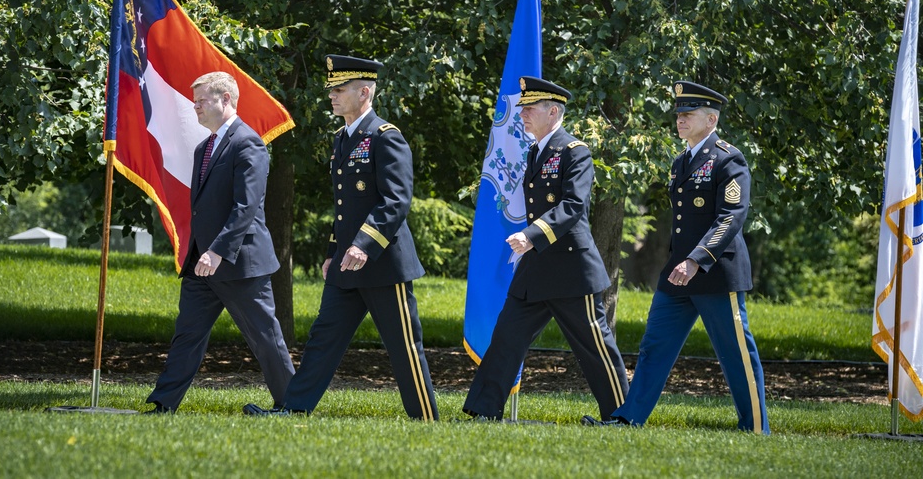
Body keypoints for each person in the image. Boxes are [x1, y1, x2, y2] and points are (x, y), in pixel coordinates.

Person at [243, 55, 439, 421]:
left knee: (404, 347)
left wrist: (363, 245)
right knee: (323, 340)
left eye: (339, 89)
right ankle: (293, 409)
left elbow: (395, 201)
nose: (331, 96)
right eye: (331, 89)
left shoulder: (386, 137)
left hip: (383, 263)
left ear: (365, 92)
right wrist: (335, 251)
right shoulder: (343, 138)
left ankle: (426, 418)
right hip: (348, 263)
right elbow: (344, 207)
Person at [582, 80, 769, 433]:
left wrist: (697, 259)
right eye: (679, 114)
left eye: (688, 114)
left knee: (736, 353)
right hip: (678, 274)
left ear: (711, 120)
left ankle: (756, 427)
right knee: (654, 347)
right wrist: (683, 262)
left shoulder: (730, 159)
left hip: (714, 272)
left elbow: (730, 216)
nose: (680, 119)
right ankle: (628, 418)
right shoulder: (681, 160)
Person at [462, 76, 629, 421]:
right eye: (522, 108)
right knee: (507, 337)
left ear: (553, 112)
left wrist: (531, 235)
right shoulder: (535, 150)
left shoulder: (575, 151)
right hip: (536, 268)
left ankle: (622, 417)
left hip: (571, 268)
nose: (522, 114)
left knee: (596, 346)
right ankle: (482, 411)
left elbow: (573, 206)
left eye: (529, 109)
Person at [144, 71, 294, 414]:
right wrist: (202, 251)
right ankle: (163, 405)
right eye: (194, 101)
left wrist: (217, 251)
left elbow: (247, 206)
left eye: (201, 100)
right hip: (202, 263)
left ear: (226, 100)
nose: (194, 107)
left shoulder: (249, 142)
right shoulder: (204, 147)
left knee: (265, 338)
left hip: (240, 262)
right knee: (187, 336)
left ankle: (292, 404)